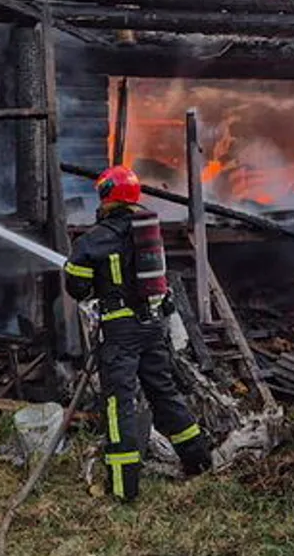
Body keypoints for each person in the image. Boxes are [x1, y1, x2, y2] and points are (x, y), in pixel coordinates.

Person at [63, 165, 212, 501]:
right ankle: (199, 461)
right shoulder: (148, 228)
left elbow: (77, 288)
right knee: (164, 393)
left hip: (122, 332)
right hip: (154, 326)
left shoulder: (95, 238)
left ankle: (123, 486)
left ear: (106, 195)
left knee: (119, 404)